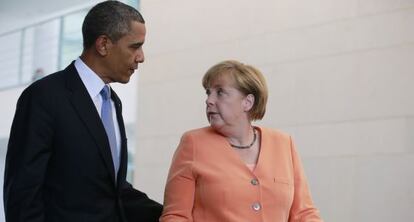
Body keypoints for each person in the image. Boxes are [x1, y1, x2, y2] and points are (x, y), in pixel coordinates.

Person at [3, 1, 162, 221]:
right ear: (103, 45)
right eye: (135, 46)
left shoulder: (112, 103)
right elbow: (22, 196)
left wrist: (176, 215)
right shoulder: (44, 96)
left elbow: (113, 190)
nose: (141, 57)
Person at [160, 60, 323, 222]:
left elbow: (304, 213)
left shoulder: (283, 144)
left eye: (220, 92)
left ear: (247, 102)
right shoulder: (193, 143)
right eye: (208, 93)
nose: (209, 100)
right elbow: (176, 216)